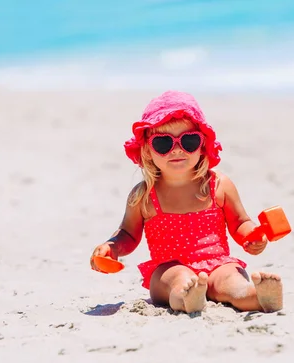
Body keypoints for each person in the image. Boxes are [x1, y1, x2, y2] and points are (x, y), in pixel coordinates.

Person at [90, 91, 283, 313]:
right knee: (179, 278)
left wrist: (251, 235)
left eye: (189, 141)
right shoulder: (143, 195)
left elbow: (240, 221)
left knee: (231, 279)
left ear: (202, 145)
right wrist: (112, 248)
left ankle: (255, 296)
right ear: (147, 150)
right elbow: (129, 234)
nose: (177, 149)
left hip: (217, 262)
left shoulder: (218, 185)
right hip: (168, 269)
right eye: (163, 143)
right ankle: (188, 297)